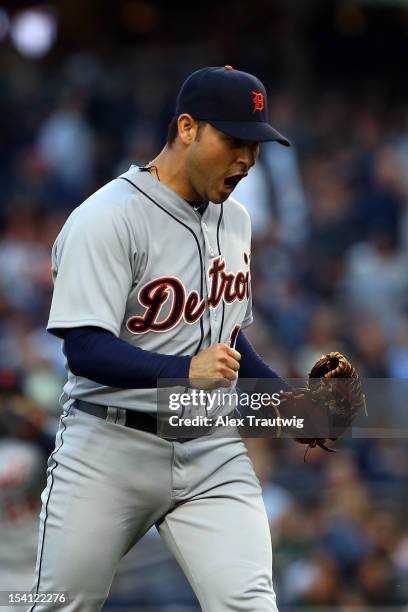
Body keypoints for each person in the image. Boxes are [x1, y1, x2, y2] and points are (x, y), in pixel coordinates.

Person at [29, 65, 292, 612]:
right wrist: (182, 371)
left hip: (210, 448)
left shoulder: (236, 219)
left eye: (256, 145)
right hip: (109, 448)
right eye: (234, 141)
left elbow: (226, 341)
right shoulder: (105, 218)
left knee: (250, 604)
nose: (246, 159)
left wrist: (296, 409)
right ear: (189, 128)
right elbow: (83, 346)